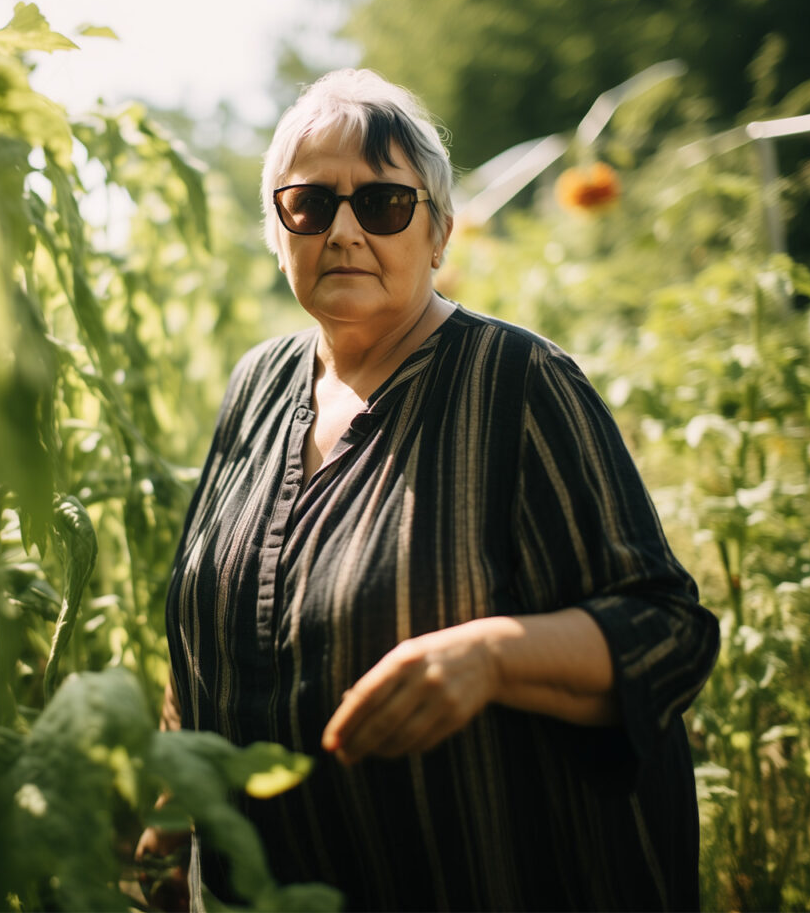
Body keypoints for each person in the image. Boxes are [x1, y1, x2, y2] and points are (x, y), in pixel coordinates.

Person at [141, 69, 719, 911]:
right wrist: (174, 811)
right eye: (309, 204)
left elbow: (670, 632)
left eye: (382, 205)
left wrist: (489, 658)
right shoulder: (257, 385)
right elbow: (203, 631)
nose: (343, 230)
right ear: (278, 230)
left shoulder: (515, 384)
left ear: (439, 233)